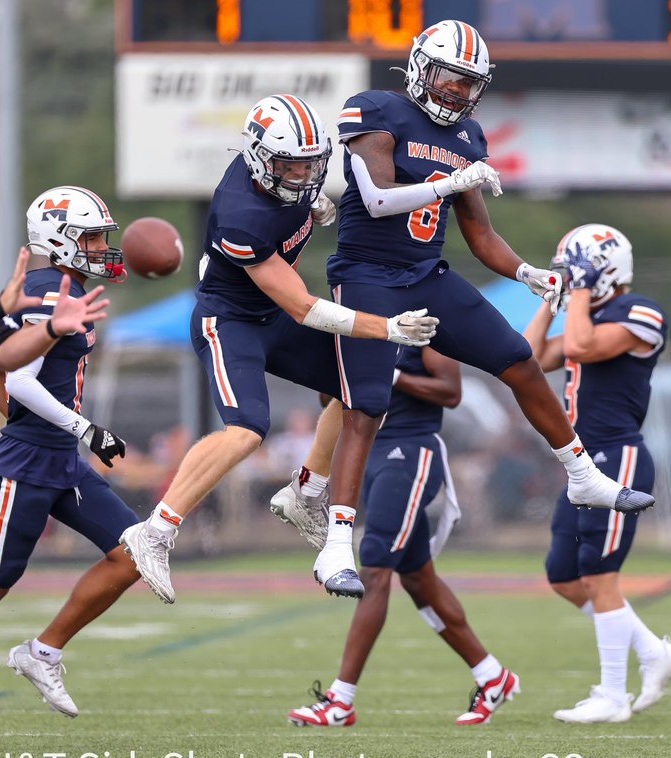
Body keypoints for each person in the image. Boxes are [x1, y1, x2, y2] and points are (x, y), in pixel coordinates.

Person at [274, 21, 653, 600]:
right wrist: (449, 183)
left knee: (518, 359)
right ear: (423, 68)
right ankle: (335, 547)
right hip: (369, 277)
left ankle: (582, 475)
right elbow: (376, 201)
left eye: (470, 82)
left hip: (428, 276)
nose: (459, 91)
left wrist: (528, 272)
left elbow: (480, 234)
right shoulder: (376, 110)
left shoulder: (469, 136)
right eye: (453, 76)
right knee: (365, 405)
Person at [117, 95, 440, 605]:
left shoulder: (285, 182)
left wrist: (310, 200)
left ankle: (305, 489)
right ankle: (155, 530)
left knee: (361, 391)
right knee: (247, 429)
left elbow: (294, 235)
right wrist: (387, 327)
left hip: (272, 314)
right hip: (233, 320)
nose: (303, 174)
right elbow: (304, 308)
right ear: (260, 158)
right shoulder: (240, 215)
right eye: (291, 164)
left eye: (312, 163)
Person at [0, 187, 148, 742]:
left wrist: (51, 428)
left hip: (60, 458)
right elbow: (14, 377)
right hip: (28, 463)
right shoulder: (44, 291)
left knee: (134, 553)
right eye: (89, 237)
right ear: (58, 240)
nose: (101, 247)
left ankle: (43, 650)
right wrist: (83, 429)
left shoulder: (69, 288)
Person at [288, 346, 518, 727]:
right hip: (370, 453)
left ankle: (341, 700)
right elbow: (328, 397)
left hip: (409, 451)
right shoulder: (357, 323)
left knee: (375, 570)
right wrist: (336, 364)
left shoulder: (423, 322)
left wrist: (391, 375)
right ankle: (492, 675)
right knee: (416, 577)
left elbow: (451, 391)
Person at [522, 224, 671, 723]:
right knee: (564, 575)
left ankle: (613, 695)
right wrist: (553, 299)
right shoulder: (582, 311)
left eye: (575, 270)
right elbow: (526, 359)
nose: (570, 280)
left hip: (619, 457)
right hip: (581, 462)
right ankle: (654, 653)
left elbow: (585, 347)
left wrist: (579, 296)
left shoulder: (639, 312)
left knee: (599, 574)